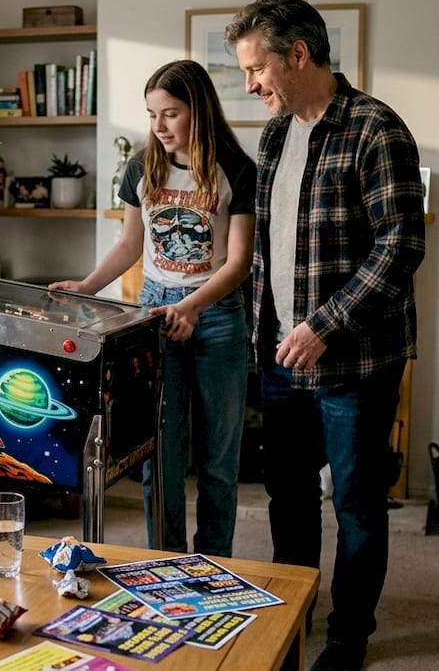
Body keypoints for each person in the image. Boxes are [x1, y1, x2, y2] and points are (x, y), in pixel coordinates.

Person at [225, 0, 426, 671]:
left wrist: (324, 325)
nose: (250, 85)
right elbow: (269, 250)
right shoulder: (274, 136)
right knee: (287, 498)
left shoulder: (377, 130)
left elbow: (401, 246)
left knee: (358, 503)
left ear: (299, 55)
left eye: (256, 69)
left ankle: (347, 638)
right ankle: (293, 613)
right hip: (281, 356)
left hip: (355, 360)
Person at [49, 59, 255, 558]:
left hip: (217, 315)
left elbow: (239, 262)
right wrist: (87, 286)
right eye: (152, 115)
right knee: (158, 456)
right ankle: (165, 561)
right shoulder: (143, 166)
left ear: (199, 111)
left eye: (171, 114)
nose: (159, 126)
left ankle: (212, 564)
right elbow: (129, 245)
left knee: (218, 461)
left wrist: (193, 306)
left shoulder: (236, 168)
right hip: (154, 317)